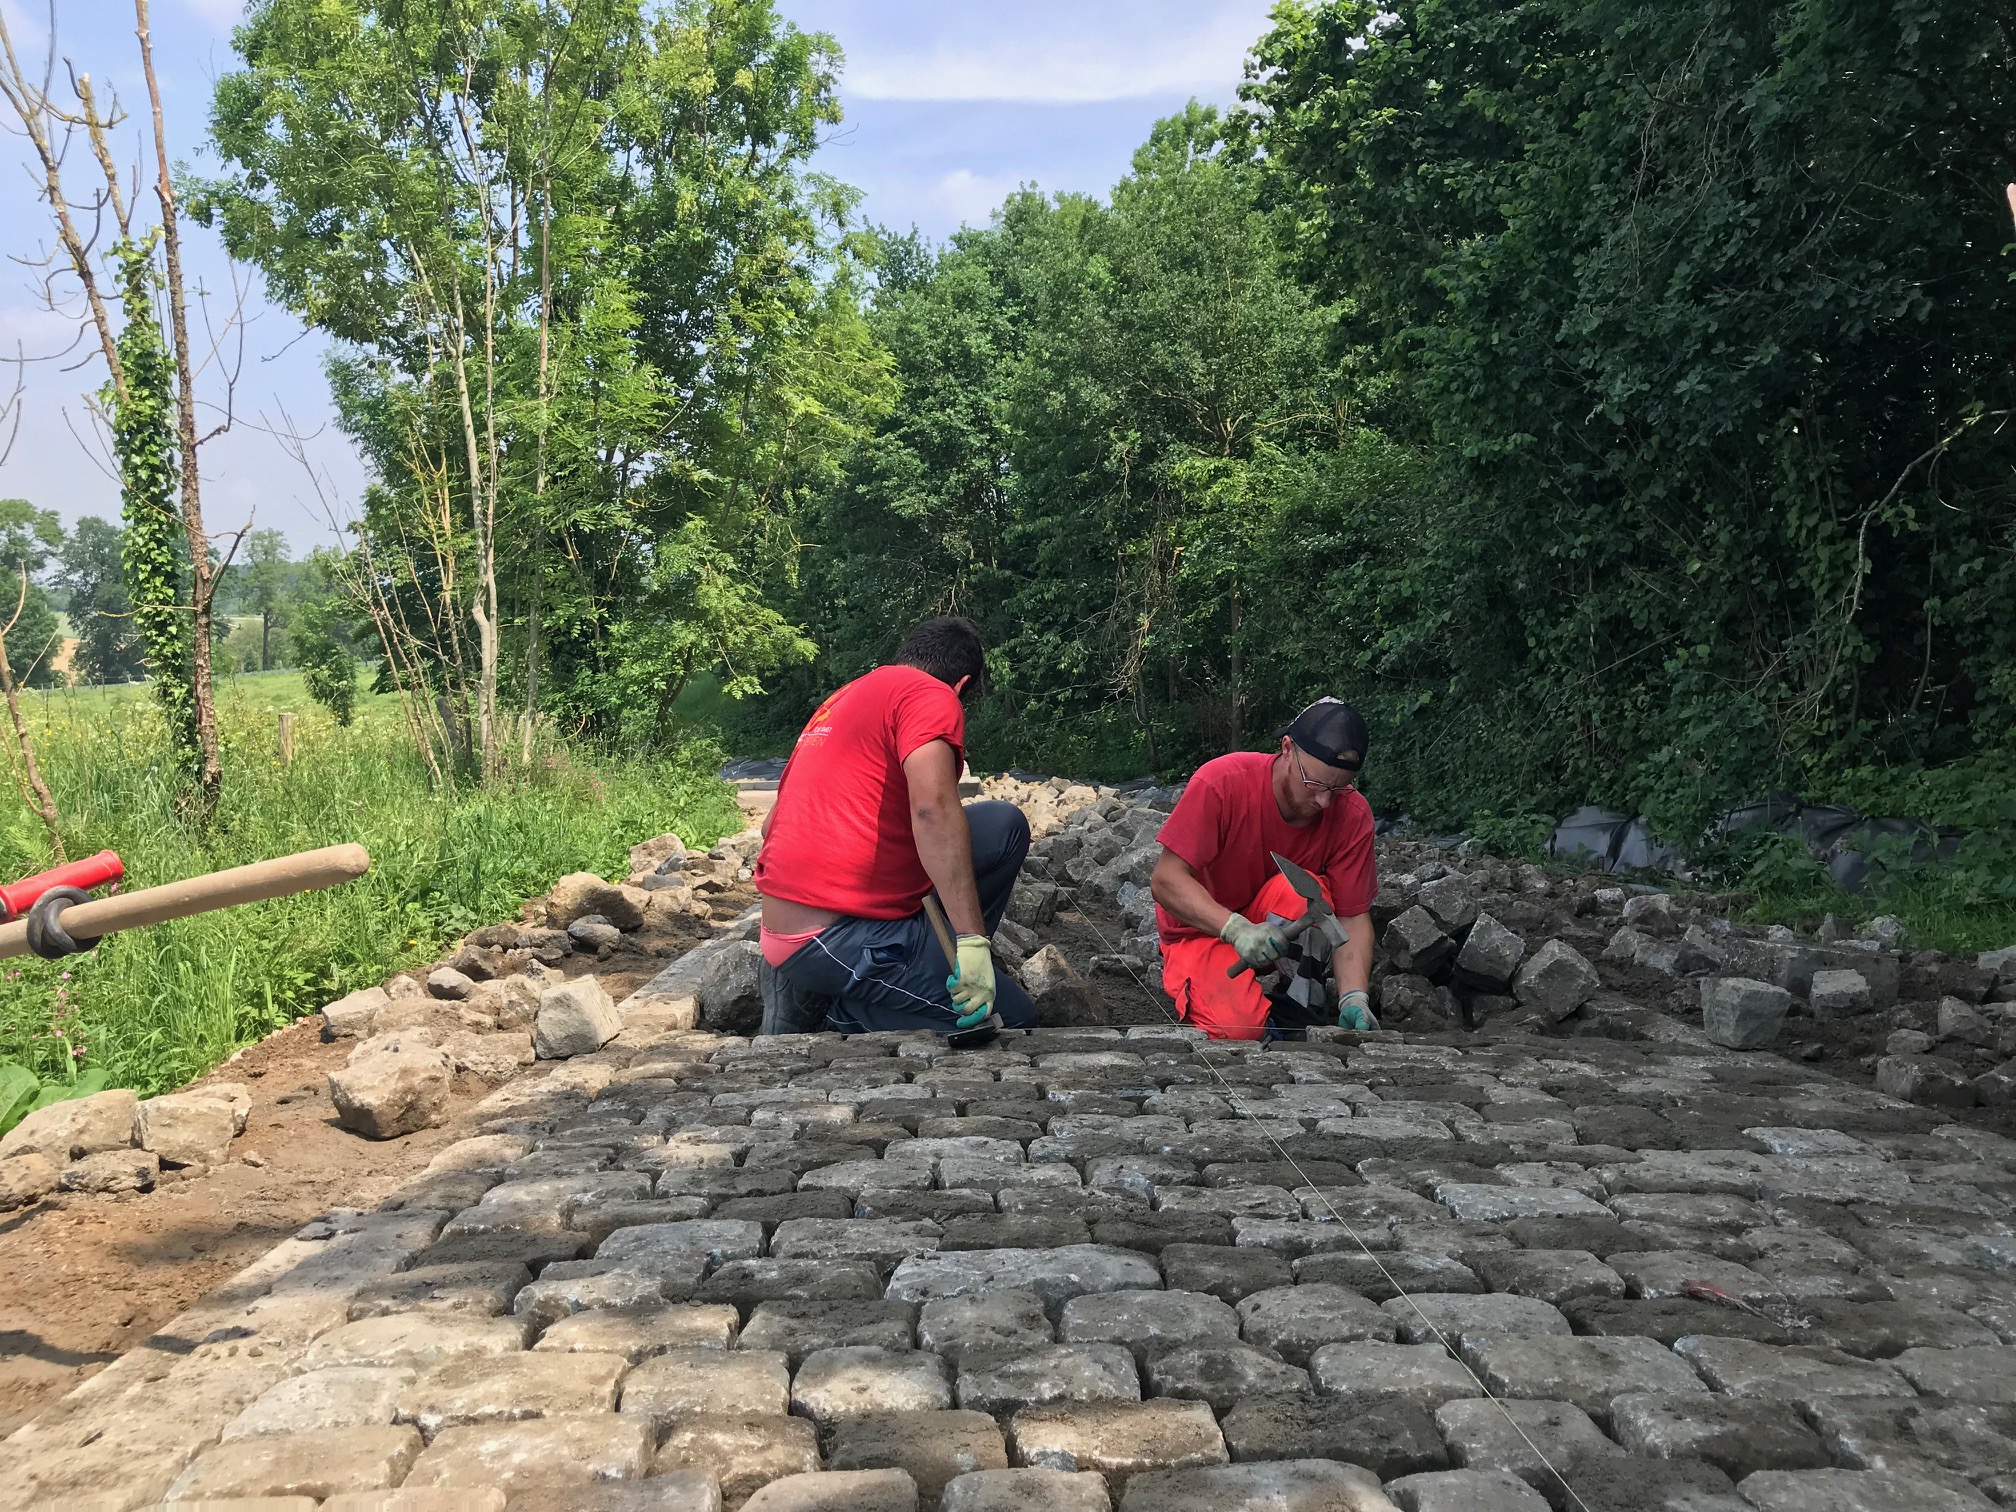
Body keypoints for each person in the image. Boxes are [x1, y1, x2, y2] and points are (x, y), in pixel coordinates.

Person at [753, 616, 1036, 1036]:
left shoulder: (847, 696)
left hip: (791, 923)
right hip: (827, 940)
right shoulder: (934, 695)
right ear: (960, 685)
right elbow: (932, 811)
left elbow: (770, 826)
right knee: (1014, 1019)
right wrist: (973, 938)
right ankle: (834, 1010)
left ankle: (927, 963)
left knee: (1001, 826)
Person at [1150, 697, 1377, 1040]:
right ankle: (1248, 1015)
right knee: (1239, 1029)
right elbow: (1166, 881)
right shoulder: (1222, 782)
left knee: (1311, 895)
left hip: (1273, 931)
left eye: (1338, 788)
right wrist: (1235, 929)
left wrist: (1354, 997)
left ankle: (1298, 1008)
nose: (1324, 802)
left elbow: (1350, 917)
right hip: (1200, 930)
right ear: (1287, 749)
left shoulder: (1352, 815)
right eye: (1314, 784)